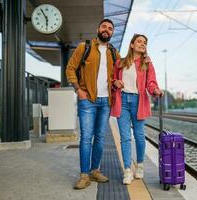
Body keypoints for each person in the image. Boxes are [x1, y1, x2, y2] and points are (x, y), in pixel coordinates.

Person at [66, 18, 120, 190]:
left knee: (100, 138)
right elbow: (70, 68)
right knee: (86, 138)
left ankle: (95, 171)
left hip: (106, 102)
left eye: (110, 28)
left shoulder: (113, 52)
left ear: (112, 33)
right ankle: (84, 175)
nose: (107, 30)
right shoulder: (85, 47)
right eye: (104, 26)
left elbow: (123, 69)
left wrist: (142, 58)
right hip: (88, 100)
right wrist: (78, 90)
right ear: (98, 29)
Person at [111, 34, 163, 185]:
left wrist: (156, 91)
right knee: (125, 138)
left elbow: (151, 83)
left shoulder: (146, 64)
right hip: (123, 102)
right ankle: (127, 170)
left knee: (139, 136)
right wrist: (116, 82)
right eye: (139, 41)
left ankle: (140, 165)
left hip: (138, 102)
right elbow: (113, 80)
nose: (142, 44)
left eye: (145, 42)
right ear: (132, 45)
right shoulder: (120, 63)